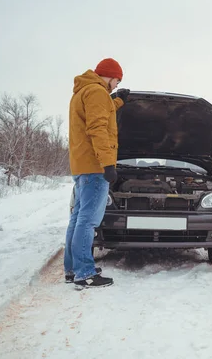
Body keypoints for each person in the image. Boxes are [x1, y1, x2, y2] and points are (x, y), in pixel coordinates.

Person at [64, 58, 130, 289]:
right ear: (111, 76)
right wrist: (108, 164)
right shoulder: (97, 92)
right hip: (95, 166)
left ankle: (72, 269)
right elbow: (98, 128)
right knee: (88, 221)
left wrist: (118, 102)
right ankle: (85, 273)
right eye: (117, 80)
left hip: (82, 166)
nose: (116, 84)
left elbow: (99, 114)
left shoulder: (84, 91)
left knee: (78, 219)